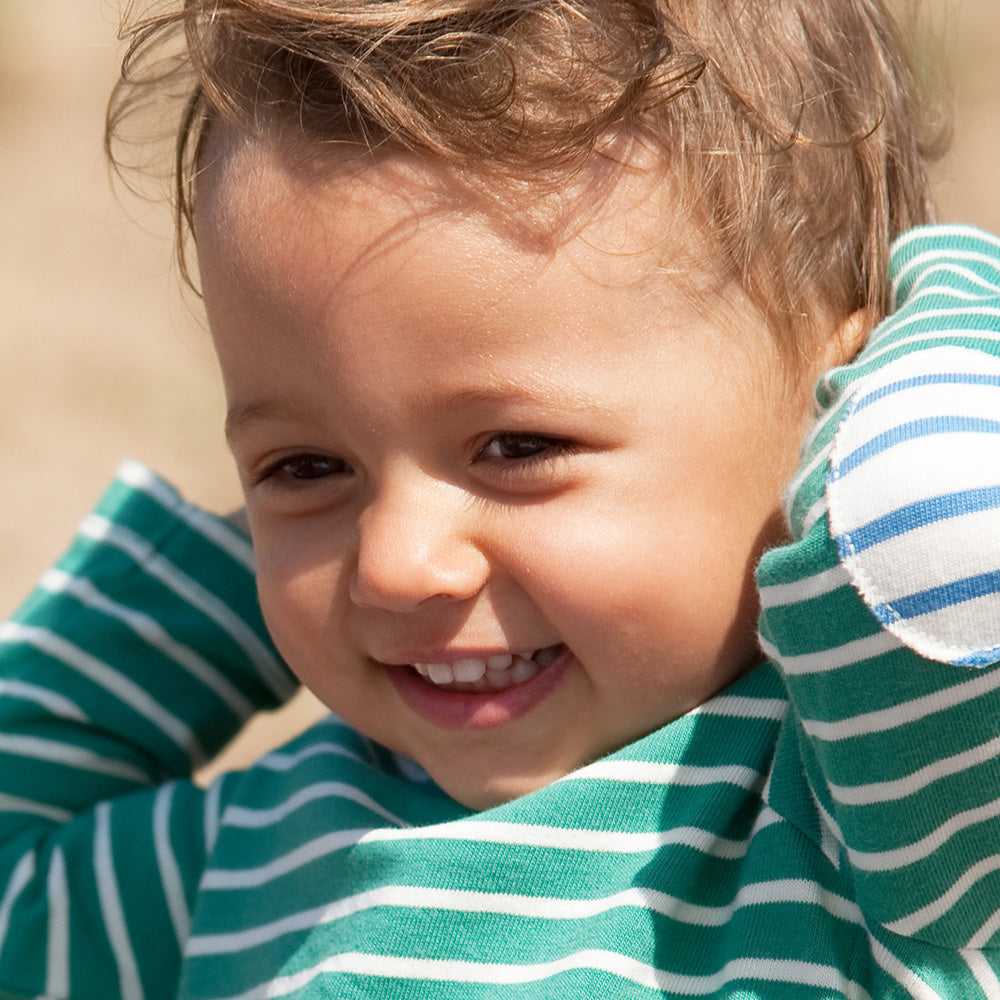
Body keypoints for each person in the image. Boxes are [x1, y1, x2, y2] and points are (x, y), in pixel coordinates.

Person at [1, 1, 999, 997]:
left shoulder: (884, 830)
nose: (396, 563)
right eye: (304, 467)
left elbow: (946, 526)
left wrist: (934, 287)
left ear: (834, 415)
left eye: (517, 448)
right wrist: (220, 586)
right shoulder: (240, 854)